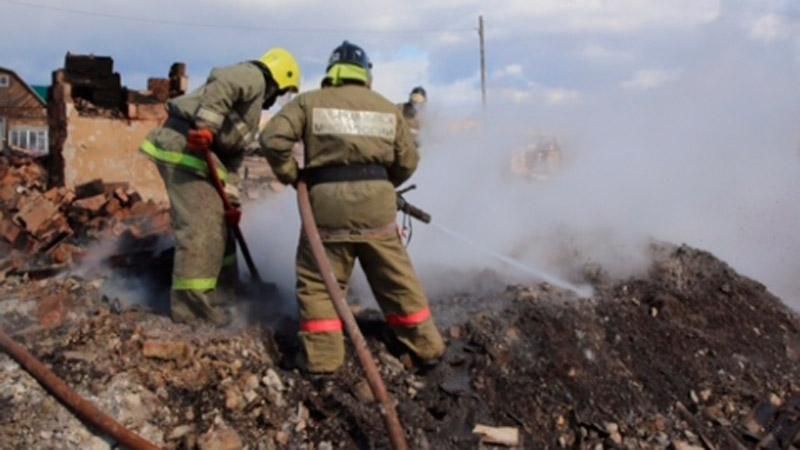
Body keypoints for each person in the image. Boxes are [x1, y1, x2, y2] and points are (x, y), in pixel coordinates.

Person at [259, 41, 445, 373]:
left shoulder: (309, 103)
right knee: (396, 279)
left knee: (319, 281)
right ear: (366, 75)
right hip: (376, 206)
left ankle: (324, 361)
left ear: (332, 73)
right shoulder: (387, 108)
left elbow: (272, 138)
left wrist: (291, 174)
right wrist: (382, 184)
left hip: (326, 205)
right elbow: (409, 161)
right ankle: (426, 347)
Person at [139, 49, 301, 325]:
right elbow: (223, 81)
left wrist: (232, 202)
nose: (275, 100)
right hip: (184, 144)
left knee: (223, 228)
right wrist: (206, 127)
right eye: (282, 91)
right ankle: (192, 310)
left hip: (203, 156)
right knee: (202, 227)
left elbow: (233, 161)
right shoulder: (253, 76)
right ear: (278, 79)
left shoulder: (249, 118)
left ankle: (224, 295)